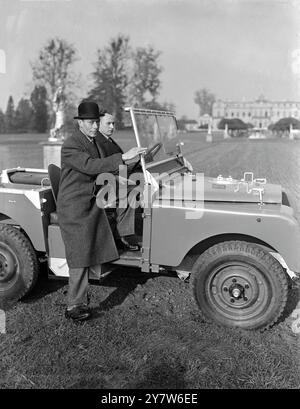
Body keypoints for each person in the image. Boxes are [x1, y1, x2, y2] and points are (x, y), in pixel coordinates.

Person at [57, 101, 147, 321]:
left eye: (97, 122)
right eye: (91, 122)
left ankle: (123, 242)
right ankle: (73, 307)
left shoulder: (91, 141)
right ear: (80, 123)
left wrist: (129, 166)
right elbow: (90, 166)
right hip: (75, 206)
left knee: (88, 248)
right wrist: (123, 158)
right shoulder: (71, 144)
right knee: (79, 255)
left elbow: (102, 167)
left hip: (91, 200)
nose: (96, 126)